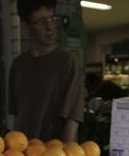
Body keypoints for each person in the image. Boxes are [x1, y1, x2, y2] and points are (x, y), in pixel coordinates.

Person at [9, 0, 83, 142]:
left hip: (54, 155)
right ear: (25, 25)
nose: (49, 27)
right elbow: (17, 115)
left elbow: (72, 118)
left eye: (52, 19)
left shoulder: (66, 61)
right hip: (23, 154)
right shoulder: (17, 66)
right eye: (41, 21)